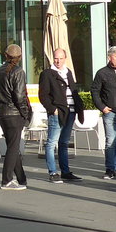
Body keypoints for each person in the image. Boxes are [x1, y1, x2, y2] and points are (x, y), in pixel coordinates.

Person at [39, 48, 86, 184]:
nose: (58, 61)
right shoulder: (47, 74)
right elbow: (43, 95)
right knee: (51, 142)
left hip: (70, 112)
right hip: (58, 112)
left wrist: (78, 106)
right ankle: (53, 172)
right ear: (52, 59)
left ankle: (65, 171)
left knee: (64, 143)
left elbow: (73, 90)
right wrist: (52, 109)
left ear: (65, 58)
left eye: (60, 58)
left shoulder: (68, 72)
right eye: (55, 58)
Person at [0, 44, 31, 190]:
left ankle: (21, 179)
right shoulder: (18, 71)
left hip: (1, 113)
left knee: (12, 146)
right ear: (19, 57)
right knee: (13, 147)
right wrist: (25, 113)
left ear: (5, 55)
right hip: (14, 114)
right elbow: (20, 96)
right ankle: (6, 180)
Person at [91, 45, 116, 179]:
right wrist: (102, 107)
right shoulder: (102, 73)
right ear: (109, 57)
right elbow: (95, 91)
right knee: (110, 141)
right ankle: (110, 169)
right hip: (110, 112)